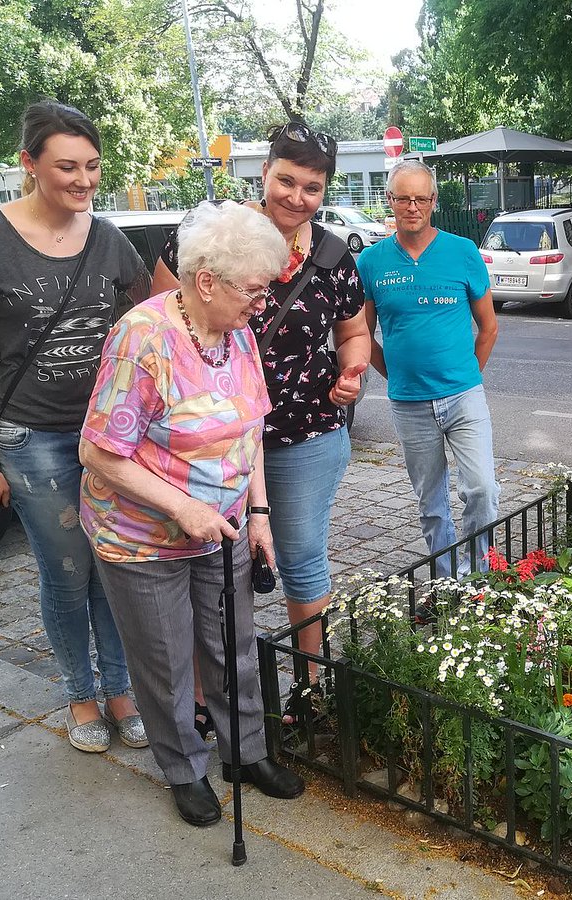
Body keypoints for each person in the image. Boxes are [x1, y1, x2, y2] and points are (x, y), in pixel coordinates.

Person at [80, 200, 305, 827]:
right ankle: (184, 767)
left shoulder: (236, 331)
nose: (262, 304)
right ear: (206, 281)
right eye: (254, 291)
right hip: (143, 537)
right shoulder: (142, 339)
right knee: (168, 661)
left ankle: (245, 752)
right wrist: (184, 507)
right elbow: (98, 453)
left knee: (231, 645)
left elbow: (250, 427)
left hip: (224, 526)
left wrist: (257, 513)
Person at [151, 121, 370, 730]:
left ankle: (310, 687)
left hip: (303, 434)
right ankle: (207, 697)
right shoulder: (206, 236)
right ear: (264, 172)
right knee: (212, 567)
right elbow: (161, 325)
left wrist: (352, 372)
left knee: (299, 556)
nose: (296, 197)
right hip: (211, 440)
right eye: (285, 180)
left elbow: (354, 330)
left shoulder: (331, 256)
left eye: (312, 186)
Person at [0, 100, 150, 754]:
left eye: (92, 166)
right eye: (67, 166)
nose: (84, 180)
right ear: (29, 164)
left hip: (109, 442)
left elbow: (146, 329)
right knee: (67, 573)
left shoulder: (108, 237)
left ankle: (121, 689)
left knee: (112, 565)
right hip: (31, 440)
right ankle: (81, 696)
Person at [355, 159, 501, 579]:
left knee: (482, 490)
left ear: (434, 201)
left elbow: (488, 327)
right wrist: (394, 374)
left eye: (421, 198)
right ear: (390, 201)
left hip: (463, 396)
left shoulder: (462, 252)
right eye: (404, 198)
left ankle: (477, 575)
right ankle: (445, 577)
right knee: (431, 502)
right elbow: (362, 336)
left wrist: (467, 374)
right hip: (409, 404)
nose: (413, 206)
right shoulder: (372, 262)